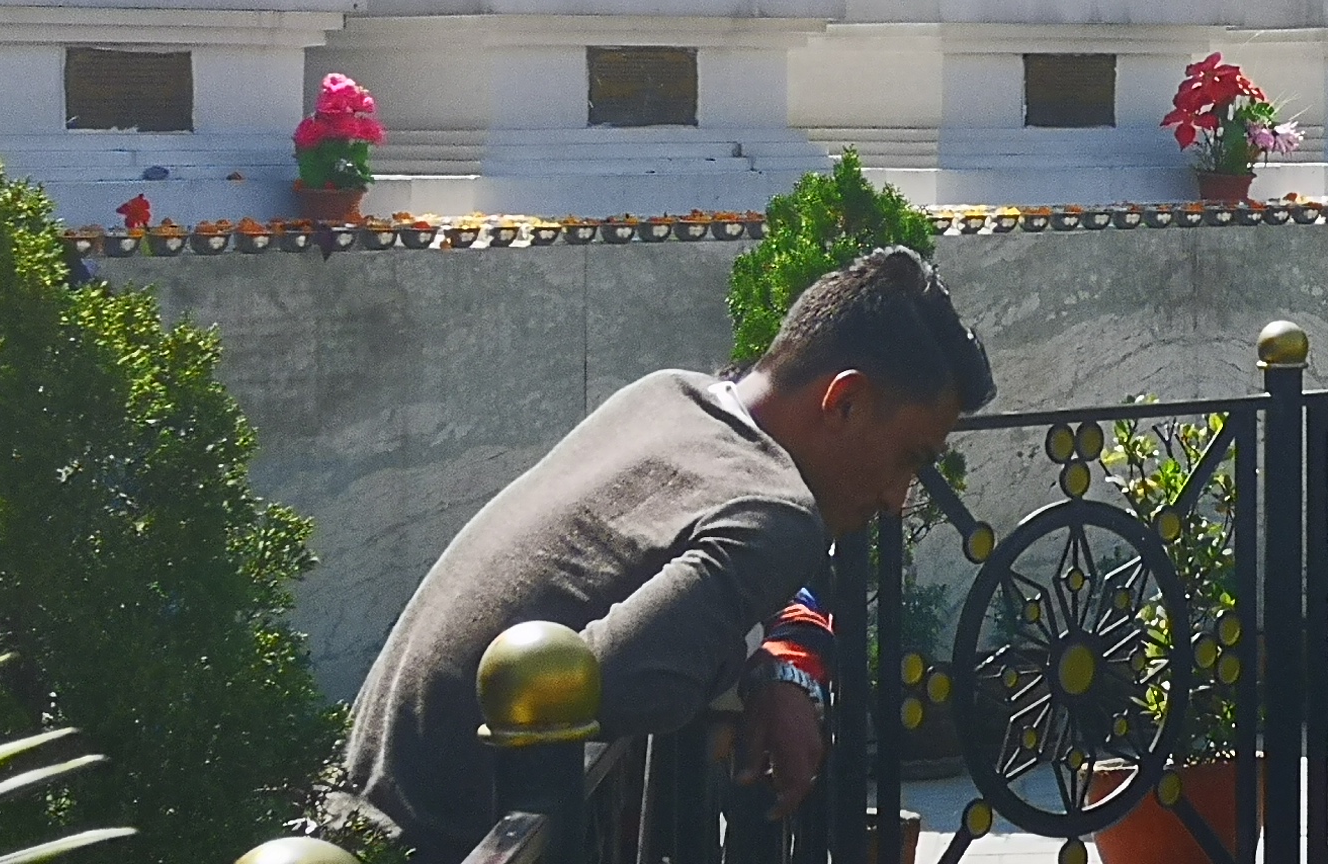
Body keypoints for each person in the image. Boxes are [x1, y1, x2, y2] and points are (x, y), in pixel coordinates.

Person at [334, 249, 992, 864]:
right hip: (456, 843)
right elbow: (628, 681)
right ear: (843, 402)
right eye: (911, 459)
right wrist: (746, 658)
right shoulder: (780, 514)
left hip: (352, 803)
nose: (897, 499)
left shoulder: (668, 395)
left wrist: (773, 666)